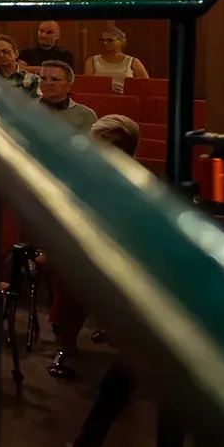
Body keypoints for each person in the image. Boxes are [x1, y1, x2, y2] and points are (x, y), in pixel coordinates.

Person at [47, 115, 143, 380]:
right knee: (71, 278)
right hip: (82, 249)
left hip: (124, 258)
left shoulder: (138, 181)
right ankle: (66, 346)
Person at [83, 27, 150, 93]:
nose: (105, 43)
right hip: (100, 98)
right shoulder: (92, 61)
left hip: (125, 99)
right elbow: (87, 86)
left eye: (110, 40)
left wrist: (127, 91)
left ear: (121, 41)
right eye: (103, 40)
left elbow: (146, 86)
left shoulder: (132, 61)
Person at [36, 61, 97, 130]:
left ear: (69, 86)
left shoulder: (85, 115)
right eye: (43, 78)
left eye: (55, 79)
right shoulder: (26, 110)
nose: (48, 83)